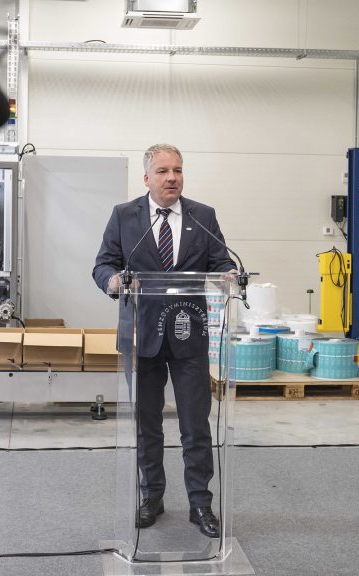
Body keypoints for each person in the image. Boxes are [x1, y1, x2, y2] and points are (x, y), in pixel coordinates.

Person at [93, 143, 237, 538]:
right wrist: (112, 280)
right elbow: (103, 264)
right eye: (162, 171)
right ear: (147, 178)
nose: (172, 177)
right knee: (147, 424)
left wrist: (228, 275)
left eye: (177, 170)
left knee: (195, 425)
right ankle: (151, 497)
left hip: (189, 336)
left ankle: (200, 503)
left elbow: (221, 262)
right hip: (142, 336)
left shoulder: (202, 216)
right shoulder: (124, 216)